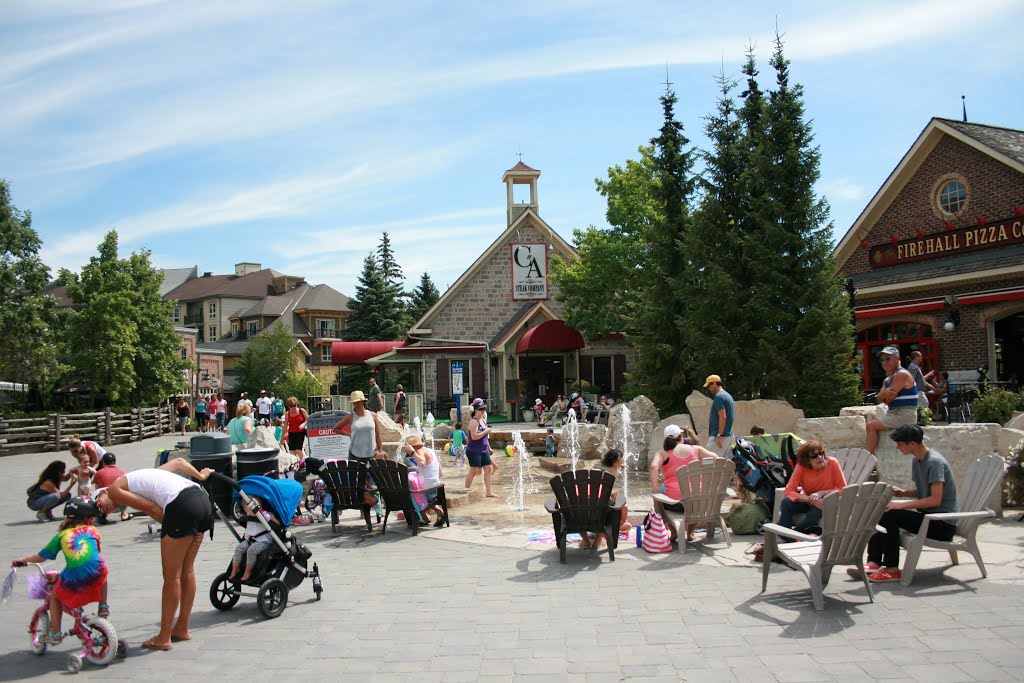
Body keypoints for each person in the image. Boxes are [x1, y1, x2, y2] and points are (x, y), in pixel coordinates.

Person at [95, 458, 215, 651]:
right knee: (187, 570)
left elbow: (153, 509)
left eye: (99, 503)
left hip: (182, 505)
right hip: (202, 500)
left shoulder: (115, 488)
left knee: (171, 576)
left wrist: (173, 527)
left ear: (103, 491)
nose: (102, 510)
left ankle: (164, 637)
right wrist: (201, 476)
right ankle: (181, 628)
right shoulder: (148, 475)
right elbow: (178, 462)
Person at [854, 423, 958, 583]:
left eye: (900, 444)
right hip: (928, 519)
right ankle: (873, 562)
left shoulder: (935, 462)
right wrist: (903, 493)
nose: (897, 447)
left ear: (912, 444)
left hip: (941, 525)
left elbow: (935, 499)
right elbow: (924, 492)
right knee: (880, 510)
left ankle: (891, 568)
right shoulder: (918, 461)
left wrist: (901, 505)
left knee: (891, 515)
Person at [13, 496, 111, 644]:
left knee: (55, 597)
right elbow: (93, 554)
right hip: (95, 572)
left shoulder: (61, 536)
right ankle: (103, 606)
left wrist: (23, 560)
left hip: (74, 576)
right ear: (88, 519)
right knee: (102, 570)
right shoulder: (93, 531)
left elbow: (40, 557)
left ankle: (55, 634)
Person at [649, 424, 720, 543]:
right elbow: (716, 458)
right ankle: (690, 532)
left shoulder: (663, 453)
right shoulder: (696, 449)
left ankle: (674, 531)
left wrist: (655, 488)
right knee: (694, 497)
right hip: (700, 503)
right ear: (681, 436)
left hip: (676, 504)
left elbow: (653, 467)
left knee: (659, 496)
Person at [778, 441, 847, 538]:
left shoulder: (832, 463)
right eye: (814, 456)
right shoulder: (801, 467)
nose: (819, 457)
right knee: (786, 502)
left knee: (818, 507)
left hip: (827, 502)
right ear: (807, 460)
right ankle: (785, 532)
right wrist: (809, 499)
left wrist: (821, 493)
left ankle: (790, 536)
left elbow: (843, 489)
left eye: (821, 453)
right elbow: (789, 491)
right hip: (809, 501)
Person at [333, 391, 383, 507]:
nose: (357, 405)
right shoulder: (350, 417)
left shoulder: (372, 415)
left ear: (363, 402)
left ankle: (374, 503)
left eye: (359, 402)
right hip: (355, 453)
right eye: (355, 403)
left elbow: (378, 435)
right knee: (358, 481)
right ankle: (363, 506)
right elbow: (336, 428)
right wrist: (348, 434)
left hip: (370, 452)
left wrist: (380, 450)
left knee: (373, 479)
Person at [865, 346, 918, 455]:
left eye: (888, 358)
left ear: (897, 358)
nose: (885, 362)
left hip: (905, 413)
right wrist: (883, 395)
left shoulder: (902, 374)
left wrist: (883, 396)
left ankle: (867, 459)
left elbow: (888, 398)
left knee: (871, 426)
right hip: (892, 412)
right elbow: (880, 399)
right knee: (873, 420)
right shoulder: (887, 380)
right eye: (882, 360)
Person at [580, 449, 631, 551]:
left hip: (584, 515)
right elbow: (604, 491)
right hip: (602, 508)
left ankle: (586, 540)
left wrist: (620, 466)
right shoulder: (609, 474)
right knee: (619, 509)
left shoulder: (611, 469)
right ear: (615, 461)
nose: (622, 459)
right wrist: (612, 496)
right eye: (620, 458)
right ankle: (600, 538)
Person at [228, 496, 279, 582]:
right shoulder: (247, 515)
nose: (252, 510)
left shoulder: (264, 514)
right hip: (250, 540)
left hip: (264, 541)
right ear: (245, 509)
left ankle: (248, 571)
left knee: (251, 550)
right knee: (239, 548)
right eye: (249, 508)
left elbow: (274, 520)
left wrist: (274, 520)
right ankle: (235, 568)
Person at [402, 434, 446, 526]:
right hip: (435, 489)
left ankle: (422, 516)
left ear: (411, 447)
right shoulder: (430, 451)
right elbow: (440, 473)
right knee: (418, 486)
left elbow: (422, 462)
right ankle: (438, 511)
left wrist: (413, 453)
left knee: (407, 495)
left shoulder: (418, 451)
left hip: (425, 493)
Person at [464, 397, 498, 498]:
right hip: (474, 450)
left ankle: (489, 492)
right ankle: (466, 490)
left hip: (483, 450)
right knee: (473, 470)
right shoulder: (473, 422)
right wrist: (487, 431)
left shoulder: (483, 420)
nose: (482, 411)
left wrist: (489, 447)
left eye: (484, 409)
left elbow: (485, 438)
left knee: (488, 469)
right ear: (475, 410)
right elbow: (474, 437)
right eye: (480, 409)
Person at [93, 453, 133, 523]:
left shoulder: (99, 473)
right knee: (124, 491)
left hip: (105, 506)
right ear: (115, 461)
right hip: (121, 505)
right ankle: (124, 514)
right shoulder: (123, 472)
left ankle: (102, 515)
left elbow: (97, 490)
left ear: (103, 462)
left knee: (99, 493)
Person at [704, 374, 734, 457]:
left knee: (709, 462)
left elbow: (722, 416)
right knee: (725, 465)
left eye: (709, 386)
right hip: (728, 435)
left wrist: (719, 435)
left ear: (714, 383)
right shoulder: (728, 396)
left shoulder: (719, 397)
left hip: (720, 436)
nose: (709, 388)